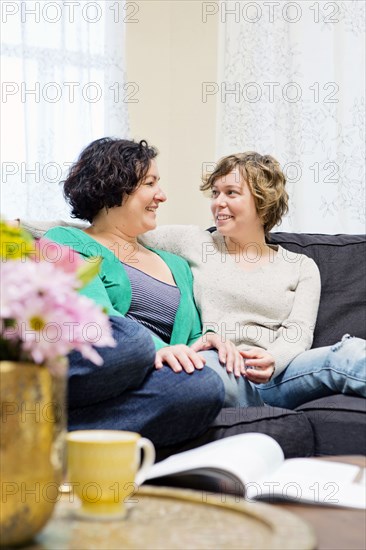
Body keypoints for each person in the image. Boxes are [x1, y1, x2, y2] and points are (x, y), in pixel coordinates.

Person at [44, 138, 262, 449]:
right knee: (130, 342)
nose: (162, 195)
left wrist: (206, 341)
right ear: (115, 186)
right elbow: (92, 315)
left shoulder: (176, 265)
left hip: (144, 380)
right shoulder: (66, 240)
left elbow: (187, 345)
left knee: (201, 387)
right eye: (150, 183)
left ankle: (66, 442)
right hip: (99, 358)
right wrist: (153, 346)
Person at [141, 151, 366, 409]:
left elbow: (299, 332)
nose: (218, 203)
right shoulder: (195, 242)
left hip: (282, 375)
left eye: (231, 193)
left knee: (347, 355)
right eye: (215, 193)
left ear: (263, 201)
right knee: (197, 373)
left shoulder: (301, 266)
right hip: (222, 368)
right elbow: (118, 231)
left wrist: (273, 359)